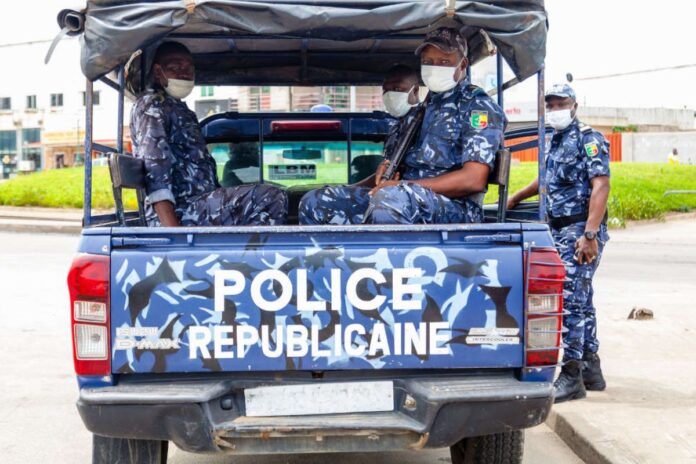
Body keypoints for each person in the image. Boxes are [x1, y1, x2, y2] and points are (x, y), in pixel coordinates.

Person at [299, 27, 506, 225]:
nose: (435, 67)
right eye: (428, 62)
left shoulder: (476, 106)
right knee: (317, 201)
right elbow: (393, 173)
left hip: (456, 209)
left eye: (444, 61)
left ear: (462, 65)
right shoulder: (418, 113)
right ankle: (332, 260)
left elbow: (473, 179)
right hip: (401, 198)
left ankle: (381, 261)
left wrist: (401, 186)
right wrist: (387, 172)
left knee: (391, 200)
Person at [507, 84, 611, 402]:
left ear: (575, 105)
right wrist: (516, 197)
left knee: (571, 304)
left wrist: (590, 235)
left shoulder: (589, 138)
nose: (555, 109)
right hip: (560, 230)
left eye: (560, 103)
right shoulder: (554, 140)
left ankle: (571, 375)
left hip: (581, 231)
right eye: (550, 104)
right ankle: (592, 370)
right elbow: (546, 179)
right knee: (583, 299)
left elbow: (601, 186)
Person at [130, 42, 287, 227]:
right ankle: (254, 255)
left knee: (270, 193)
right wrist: (173, 233)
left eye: (189, 68)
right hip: (180, 211)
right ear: (158, 72)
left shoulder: (181, 110)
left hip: (198, 206)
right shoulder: (152, 105)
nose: (184, 72)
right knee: (269, 196)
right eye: (175, 67)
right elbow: (155, 170)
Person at [297, 64, 422, 224]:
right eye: (386, 90)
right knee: (315, 199)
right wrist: (349, 188)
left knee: (315, 200)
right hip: (388, 196)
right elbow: (386, 174)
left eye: (397, 89)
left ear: (416, 90)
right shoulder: (396, 128)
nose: (390, 95)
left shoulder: (426, 123)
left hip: (408, 202)